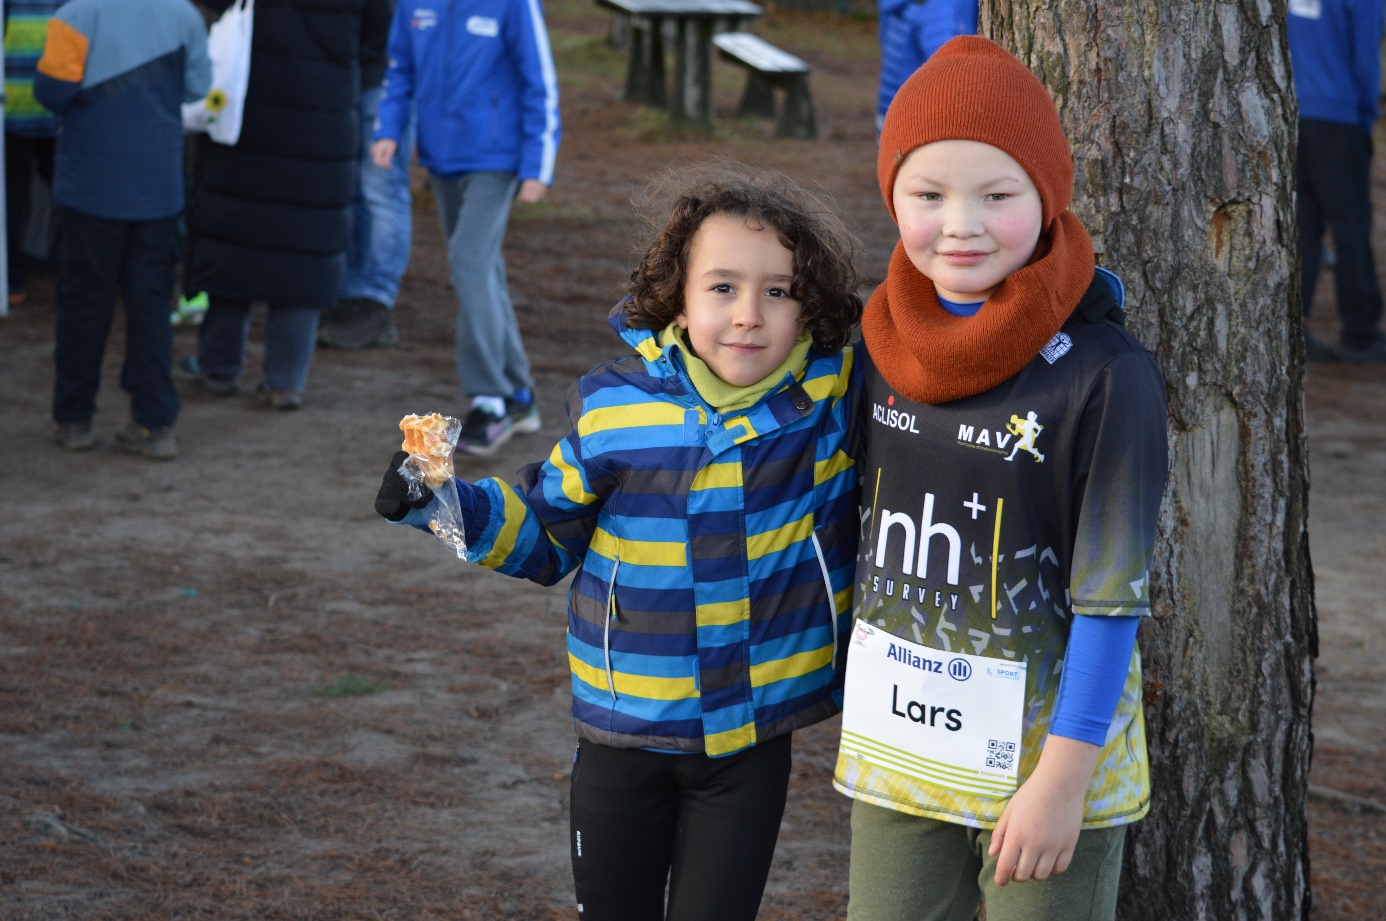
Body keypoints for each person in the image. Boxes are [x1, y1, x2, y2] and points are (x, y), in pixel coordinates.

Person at [375, 164, 863, 921]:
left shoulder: (832, 401)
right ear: (679, 295)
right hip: (620, 735)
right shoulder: (617, 406)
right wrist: (441, 505)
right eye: (723, 286)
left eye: (779, 290)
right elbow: (545, 531)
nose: (749, 314)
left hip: (748, 744)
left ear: (810, 305)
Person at [832, 36, 1168, 921]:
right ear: (892, 195)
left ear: (1046, 198)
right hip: (903, 754)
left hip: (1048, 764)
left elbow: (1112, 592)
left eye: (997, 194)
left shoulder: (1105, 372)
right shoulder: (874, 347)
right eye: (928, 193)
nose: (960, 223)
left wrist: (1064, 776)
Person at [178, 0, 393, 409]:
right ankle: (285, 379)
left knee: (231, 237)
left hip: (245, 111)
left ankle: (218, 366)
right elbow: (376, 43)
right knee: (304, 250)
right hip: (324, 119)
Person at [371, 0, 560, 454]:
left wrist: (539, 164)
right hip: (442, 158)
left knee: (469, 260)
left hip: (497, 159)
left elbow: (540, 81)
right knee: (482, 271)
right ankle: (520, 395)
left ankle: (488, 400)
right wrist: (388, 129)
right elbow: (400, 69)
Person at [35, 0, 211, 457]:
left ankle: (74, 419)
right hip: (157, 188)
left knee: (84, 304)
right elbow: (198, 87)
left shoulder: (75, 15)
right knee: (151, 306)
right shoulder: (185, 16)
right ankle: (154, 424)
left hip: (91, 189)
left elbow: (51, 91)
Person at [1289, 0, 1386, 363]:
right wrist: (1365, 115)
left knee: (1302, 228)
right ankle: (1360, 333)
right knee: (1351, 226)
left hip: (1293, 111)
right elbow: (1364, 56)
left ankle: (1289, 329)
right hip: (1337, 116)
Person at [317, 0, 417, 352]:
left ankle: (375, 300)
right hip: (347, 72)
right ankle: (348, 293)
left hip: (386, 78)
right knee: (352, 187)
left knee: (379, 188)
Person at [4, 0, 63, 306]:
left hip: (60, 108)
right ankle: (11, 275)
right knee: (13, 198)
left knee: (68, 194)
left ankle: (67, 264)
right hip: (14, 110)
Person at [875, 0, 976, 133]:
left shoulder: (901, 5)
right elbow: (951, 75)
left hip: (891, 110)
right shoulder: (940, 8)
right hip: (918, 122)